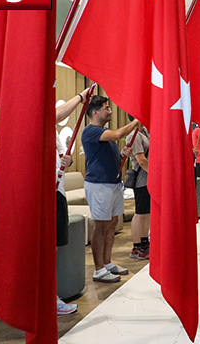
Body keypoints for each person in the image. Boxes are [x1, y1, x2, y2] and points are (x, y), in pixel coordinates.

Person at [82, 95, 139, 283]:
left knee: (112, 223)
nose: (110, 111)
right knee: (101, 225)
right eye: (106, 108)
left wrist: (122, 153)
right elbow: (117, 135)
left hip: (113, 184)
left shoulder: (104, 132)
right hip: (99, 184)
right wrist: (138, 120)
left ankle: (107, 263)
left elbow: (109, 147)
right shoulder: (91, 131)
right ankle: (98, 268)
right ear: (95, 112)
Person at [54, 88, 90, 314]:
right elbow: (53, 115)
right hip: (41, 195)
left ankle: (51, 294)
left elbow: (59, 157)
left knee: (56, 247)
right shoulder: (31, 121)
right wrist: (80, 97)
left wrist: (63, 159)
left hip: (58, 191)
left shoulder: (54, 134)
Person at [127, 116, 150, 260]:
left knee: (147, 212)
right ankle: (136, 246)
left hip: (149, 179)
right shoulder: (134, 134)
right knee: (140, 212)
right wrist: (157, 174)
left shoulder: (145, 131)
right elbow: (141, 160)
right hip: (142, 179)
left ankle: (144, 241)